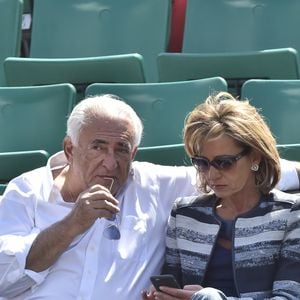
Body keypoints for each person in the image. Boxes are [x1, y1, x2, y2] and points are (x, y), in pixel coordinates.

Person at [0, 94, 298, 300]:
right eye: (98, 147)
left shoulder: (154, 184)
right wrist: (72, 224)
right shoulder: (27, 190)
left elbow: (242, 168)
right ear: (69, 149)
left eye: (121, 150)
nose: (110, 162)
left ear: (134, 153)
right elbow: (4, 280)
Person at [143, 92, 300, 300]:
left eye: (225, 162)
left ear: (255, 157)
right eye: (202, 163)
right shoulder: (184, 214)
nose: (212, 174)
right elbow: (174, 285)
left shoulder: (291, 213)